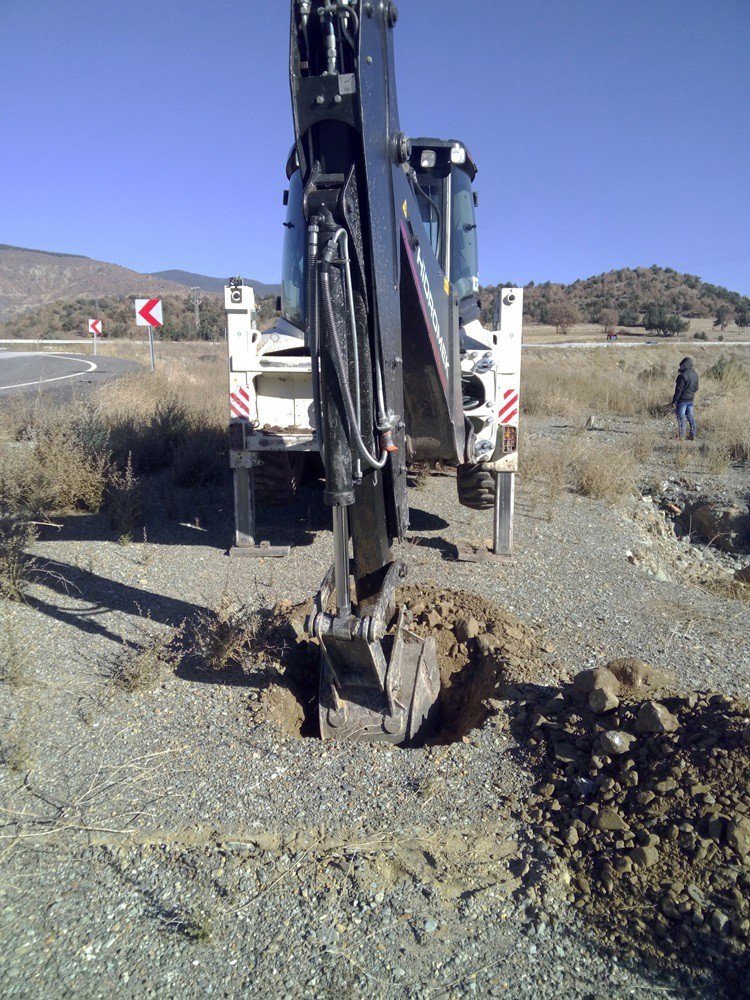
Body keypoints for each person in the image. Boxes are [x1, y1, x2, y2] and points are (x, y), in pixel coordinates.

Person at [672, 356, 699, 440]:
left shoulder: (682, 376)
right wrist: (690, 394)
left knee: (681, 418)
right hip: (691, 399)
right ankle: (693, 435)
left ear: (684, 365)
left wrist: (674, 401)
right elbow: (696, 388)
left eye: (681, 366)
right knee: (690, 417)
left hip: (682, 400)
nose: (680, 367)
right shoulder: (695, 374)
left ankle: (682, 437)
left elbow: (678, 391)